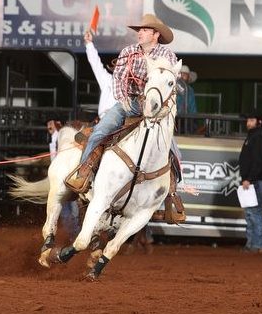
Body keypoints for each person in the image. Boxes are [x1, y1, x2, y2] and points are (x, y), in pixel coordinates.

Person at [67, 14, 179, 193]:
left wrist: (161, 104)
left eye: (144, 30)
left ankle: (171, 192)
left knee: (171, 147)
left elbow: (171, 81)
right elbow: (118, 79)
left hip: (155, 107)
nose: (139, 33)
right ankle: (83, 174)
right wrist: (124, 100)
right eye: (139, 30)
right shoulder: (128, 52)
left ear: (156, 34)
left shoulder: (167, 56)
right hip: (130, 103)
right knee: (99, 132)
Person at [238, 109, 262, 253]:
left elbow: (258, 161)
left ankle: (257, 245)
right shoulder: (255, 136)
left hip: (256, 179)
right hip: (255, 179)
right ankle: (254, 244)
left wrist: (249, 179)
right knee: (252, 212)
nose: (248, 123)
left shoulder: (257, 137)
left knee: (254, 212)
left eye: (251, 120)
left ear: (259, 122)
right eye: (248, 120)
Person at [176, 65, 198, 133]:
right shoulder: (172, 87)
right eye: (181, 74)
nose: (182, 76)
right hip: (174, 118)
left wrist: (193, 118)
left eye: (185, 74)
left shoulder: (190, 90)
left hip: (187, 118)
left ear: (188, 76)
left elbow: (192, 106)